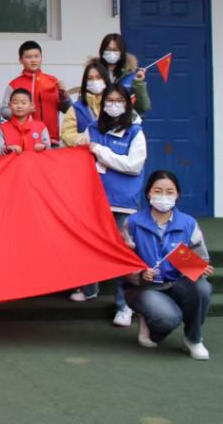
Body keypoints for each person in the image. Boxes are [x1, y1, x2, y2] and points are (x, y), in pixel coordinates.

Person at [72, 83, 147, 327]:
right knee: (89, 244)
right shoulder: (93, 128)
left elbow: (133, 166)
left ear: (127, 104)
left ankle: (124, 305)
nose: (114, 105)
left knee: (122, 252)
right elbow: (75, 151)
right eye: (109, 101)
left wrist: (101, 151)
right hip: (93, 199)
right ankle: (89, 287)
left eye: (119, 101)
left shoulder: (135, 132)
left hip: (123, 202)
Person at [122, 170, 213, 360]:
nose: (164, 196)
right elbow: (122, 262)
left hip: (178, 283)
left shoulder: (188, 223)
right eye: (158, 191)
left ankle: (193, 339)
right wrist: (140, 274)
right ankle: (150, 323)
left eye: (170, 192)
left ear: (177, 195)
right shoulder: (133, 223)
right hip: (144, 288)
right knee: (168, 319)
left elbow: (201, 257)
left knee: (203, 288)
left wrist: (200, 268)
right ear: (148, 193)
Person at [0, 41, 70, 145]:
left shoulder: (53, 81)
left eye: (36, 56)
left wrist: (64, 94)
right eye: (28, 57)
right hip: (24, 140)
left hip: (52, 140)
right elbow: (4, 111)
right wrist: (22, 111)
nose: (33, 60)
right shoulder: (14, 84)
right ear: (20, 60)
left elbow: (67, 109)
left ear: (41, 58)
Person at [60, 61, 113, 147]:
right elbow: (66, 133)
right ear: (85, 82)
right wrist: (81, 139)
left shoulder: (116, 105)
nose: (95, 81)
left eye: (99, 77)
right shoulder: (76, 108)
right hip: (85, 153)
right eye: (90, 78)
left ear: (106, 80)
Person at [98, 33, 151, 116]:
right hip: (99, 120)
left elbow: (143, 107)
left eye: (115, 50)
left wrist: (138, 83)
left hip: (125, 121)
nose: (111, 53)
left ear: (122, 52)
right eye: (108, 49)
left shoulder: (131, 75)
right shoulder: (94, 73)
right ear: (102, 51)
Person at [0, 88, 51, 155]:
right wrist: (7, 149)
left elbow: (49, 148)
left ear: (31, 105)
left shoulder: (41, 126)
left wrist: (43, 146)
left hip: (35, 161)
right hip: (12, 162)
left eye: (23, 103)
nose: (19, 106)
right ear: (9, 105)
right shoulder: (2, 128)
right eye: (15, 103)